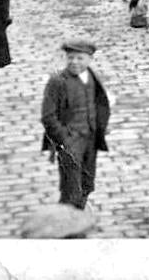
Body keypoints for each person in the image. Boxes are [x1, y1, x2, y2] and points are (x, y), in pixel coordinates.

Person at [40, 39, 111, 210]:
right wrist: (64, 139)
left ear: (90, 59)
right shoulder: (58, 81)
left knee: (87, 183)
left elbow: (100, 102)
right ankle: (69, 220)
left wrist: (101, 125)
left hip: (91, 139)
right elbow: (48, 116)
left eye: (80, 58)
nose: (74, 62)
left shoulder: (92, 76)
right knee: (71, 187)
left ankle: (80, 210)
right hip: (70, 142)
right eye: (70, 58)